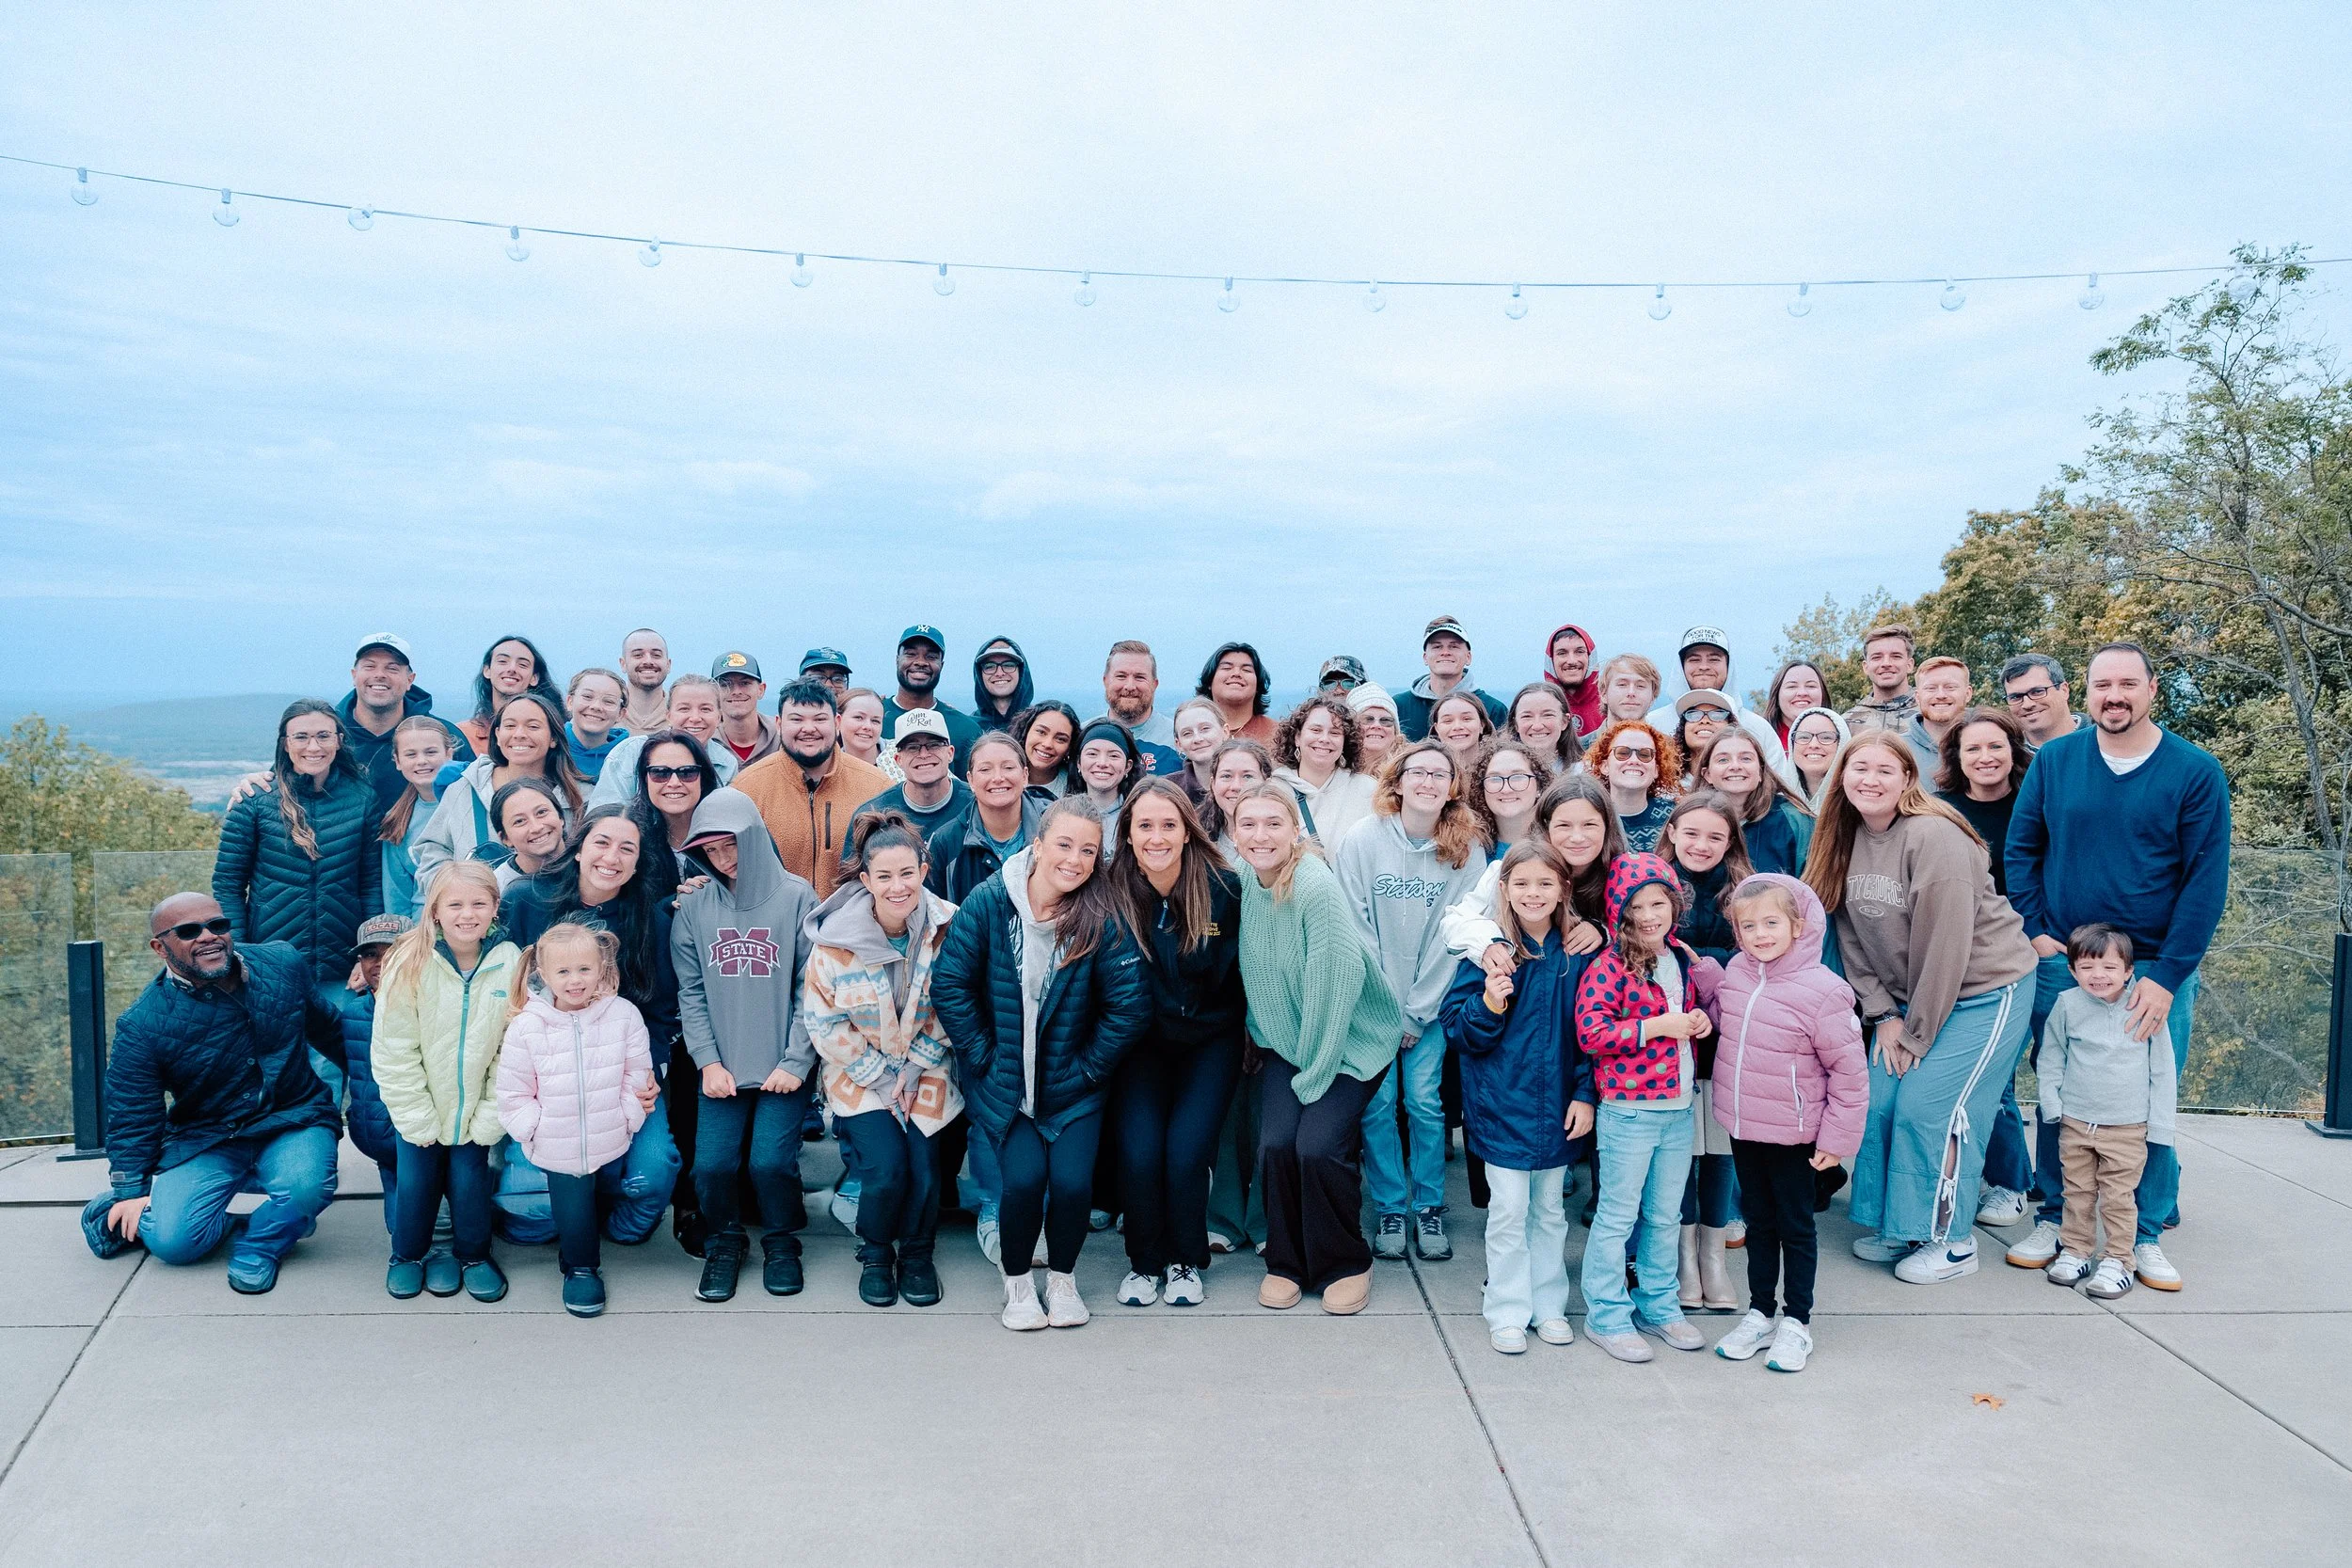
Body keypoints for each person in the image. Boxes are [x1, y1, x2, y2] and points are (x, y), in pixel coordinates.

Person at [2003, 642, 2229, 1291]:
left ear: (2153, 689)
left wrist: (2166, 975)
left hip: (2153, 967)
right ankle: (2057, 1216)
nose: (2115, 695)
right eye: (2104, 683)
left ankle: (2147, 1233)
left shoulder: (2194, 770)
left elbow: (2205, 882)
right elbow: (2022, 848)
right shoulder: (2056, 761)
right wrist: (2040, 931)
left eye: (2129, 683)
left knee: (2148, 1098)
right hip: (2066, 965)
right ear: (2086, 691)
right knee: (2059, 1092)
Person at [1805, 731, 2036, 1286]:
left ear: (1908, 778)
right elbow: (1851, 937)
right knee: (1879, 1104)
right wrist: (1884, 1017)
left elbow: (1946, 948)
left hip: (1984, 990)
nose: (1870, 780)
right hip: (1908, 1002)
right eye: (1859, 768)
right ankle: (1904, 1225)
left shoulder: (1933, 836)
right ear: (1842, 778)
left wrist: (1915, 1034)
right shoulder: (1843, 836)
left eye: (1886, 770)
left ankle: (1952, 1241)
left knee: (1933, 1110)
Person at [933, 798, 1152, 1332]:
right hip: (1006, 1083)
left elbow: (1129, 1006)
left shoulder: (1103, 912)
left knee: (1075, 1185)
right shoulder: (989, 903)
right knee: (1024, 1183)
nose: (1074, 860)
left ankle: (1063, 1279)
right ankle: (1016, 1285)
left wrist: (1088, 1070)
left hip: (1074, 1085)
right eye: (1064, 844)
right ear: (1037, 844)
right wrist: (985, 1057)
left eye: (1088, 851)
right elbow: (951, 985)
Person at [81, 895, 345, 1293]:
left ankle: (261, 1245)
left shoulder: (282, 964)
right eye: (188, 932)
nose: (209, 937)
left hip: (294, 1118)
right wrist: (129, 1191)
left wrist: (377, 1089)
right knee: (174, 1243)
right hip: (207, 1136)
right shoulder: (142, 1024)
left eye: (218, 925)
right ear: (160, 947)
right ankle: (255, 1218)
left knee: (305, 1187)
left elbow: (330, 1031)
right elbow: (133, 1113)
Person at [1231, 782, 1402, 1315]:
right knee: (1276, 1145)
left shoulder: (1313, 885)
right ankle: (1287, 1261)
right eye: (1249, 825)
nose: (1262, 836)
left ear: (1295, 831)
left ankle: (1346, 1262)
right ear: (1234, 834)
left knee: (1318, 1146)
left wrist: (1316, 1075)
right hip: (1289, 1040)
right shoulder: (1241, 880)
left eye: (1274, 824)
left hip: (1349, 1040)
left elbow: (1337, 983)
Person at [496, 805, 685, 1254]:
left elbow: (661, 1010)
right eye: (601, 842)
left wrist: (646, 1078)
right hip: (547, 1077)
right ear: (579, 848)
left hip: (617, 1071)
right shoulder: (527, 900)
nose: (611, 857)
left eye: (627, 849)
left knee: (651, 1175)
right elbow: (495, 980)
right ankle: (559, 1208)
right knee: (535, 1217)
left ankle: (614, 1220)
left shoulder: (650, 920)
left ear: (639, 863)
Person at [1334, 738, 1489, 1265]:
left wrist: (1417, 1010)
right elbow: (1355, 925)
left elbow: (1457, 935)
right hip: (1372, 1003)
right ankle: (1391, 1207)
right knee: (1378, 1106)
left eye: (1439, 775)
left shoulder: (1466, 848)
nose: (1427, 782)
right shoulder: (1363, 839)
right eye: (1416, 772)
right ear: (1397, 781)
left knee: (1424, 1102)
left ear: (1452, 787)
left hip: (1431, 1005)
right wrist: (1386, 1008)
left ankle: (1428, 1206)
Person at [1704, 874, 1867, 1373]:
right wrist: (1711, 982)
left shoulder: (1825, 991)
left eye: (1771, 922)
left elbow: (1849, 1073)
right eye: (1747, 925)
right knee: (1759, 1223)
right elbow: (1724, 1023)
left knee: (1795, 1228)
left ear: (1799, 925)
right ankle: (1760, 1312)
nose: (1760, 934)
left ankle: (1797, 1321)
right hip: (1744, 1125)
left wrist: (1836, 1142)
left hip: (1798, 1136)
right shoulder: (1737, 972)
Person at [1438, 842, 1597, 1354]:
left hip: (1557, 1108)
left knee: (1550, 1210)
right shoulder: (1489, 951)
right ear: (1503, 888)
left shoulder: (1577, 954)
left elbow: (1593, 1033)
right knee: (1507, 1210)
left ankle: (1549, 1302)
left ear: (1563, 890)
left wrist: (1584, 1093)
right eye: (1522, 883)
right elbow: (1459, 1030)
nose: (1534, 893)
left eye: (1545, 884)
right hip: (1500, 1106)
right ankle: (1507, 1308)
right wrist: (1489, 1001)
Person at [803, 812, 963, 1309]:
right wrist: (879, 1075)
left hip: (928, 1066)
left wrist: (916, 1066)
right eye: (885, 877)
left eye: (907, 874)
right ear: (866, 880)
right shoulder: (835, 942)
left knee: (924, 1168)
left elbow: (958, 1001)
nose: (898, 887)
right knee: (886, 1169)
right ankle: (876, 1253)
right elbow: (823, 1020)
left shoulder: (949, 927)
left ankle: (917, 1252)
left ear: (924, 869)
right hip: (860, 1074)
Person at [672, 788, 820, 1302]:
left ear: (754, 839)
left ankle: (782, 1241)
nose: (722, 859)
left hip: (784, 1065)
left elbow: (813, 985)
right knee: (711, 1165)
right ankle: (725, 1241)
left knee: (770, 1163)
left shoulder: (798, 897)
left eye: (730, 845)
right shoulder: (694, 907)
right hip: (723, 1068)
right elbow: (690, 992)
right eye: (709, 851)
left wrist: (799, 1059)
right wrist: (707, 1062)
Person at [1102, 779, 1246, 1307]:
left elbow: (1245, 975)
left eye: (1169, 825)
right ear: (1128, 834)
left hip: (1209, 1041)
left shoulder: (1225, 889)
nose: (1157, 836)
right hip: (1139, 1045)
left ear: (1188, 832)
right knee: (1140, 1155)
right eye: (1145, 826)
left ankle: (1185, 1261)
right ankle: (1144, 1264)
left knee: (1185, 1155)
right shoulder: (1110, 891)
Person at [1575, 852, 1722, 1362]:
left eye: (1659, 902)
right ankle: (1606, 1315)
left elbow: (1689, 1015)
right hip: (1629, 1112)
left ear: (1673, 905)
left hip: (1680, 1107)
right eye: (1637, 905)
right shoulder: (1608, 966)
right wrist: (1658, 1027)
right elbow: (1592, 1034)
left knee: (1664, 1215)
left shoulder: (1680, 956)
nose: (1649, 914)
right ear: (1619, 910)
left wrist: (1697, 1022)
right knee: (1617, 1216)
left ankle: (1658, 1305)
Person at [373, 862, 523, 1304]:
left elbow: (510, 1048)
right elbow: (393, 1045)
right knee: (416, 1185)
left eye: (479, 903)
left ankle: (474, 1255)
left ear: (495, 907)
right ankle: (408, 1255)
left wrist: (489, 1111)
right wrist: (414, 1114)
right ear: (435, 910)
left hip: (474, 1109)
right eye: (454, 904)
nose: (467, 914)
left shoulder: (509, 961)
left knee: (469, 1182)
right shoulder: (409, 960)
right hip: (420, 1107)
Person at [495, 920, 655, 1318]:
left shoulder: (623, 1015)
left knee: (599, 1190)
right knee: (572, 1201)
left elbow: (637, 1072)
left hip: (609, 1127)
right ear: (543, 974)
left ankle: (591, 1238)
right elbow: (513, 1091)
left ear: (601, 968)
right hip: (555, 1136)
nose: (575, 980)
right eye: (563, 972)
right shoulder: (527, 1026)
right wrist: (535, 1126)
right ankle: (581, 1267)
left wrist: (627, 1114)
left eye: (584, 969)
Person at [2038, 924, 2179, 1301]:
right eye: (2086, 967)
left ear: (2130, 970)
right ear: (2072, 970)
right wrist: (2052, 1104)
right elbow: (2051, 1057)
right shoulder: (2067, 1005)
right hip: (2077, 1122)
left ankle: (2119, 1259)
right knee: (2078, 1191)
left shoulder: (2144, 1008)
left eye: (2109, 967)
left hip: (2128, 1127)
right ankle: (2076, 1250)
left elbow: (2163, 1071)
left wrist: (2161, 1128)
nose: (2098, 976)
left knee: (2119, 1196)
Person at [213, 699, 383, 986]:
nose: (313, 747)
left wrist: (370, 955)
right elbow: (227, 887)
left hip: (343, 966)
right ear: (285, 744)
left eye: (323, 736)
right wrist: (240, 954)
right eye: (301, 737)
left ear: (339, 741)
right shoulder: (255, 801)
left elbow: (370, 885)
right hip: (268, 965)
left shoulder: (362, 799)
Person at [1657, 791, 1750, 1310]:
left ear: (1731, 841)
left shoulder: (1742, 892)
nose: (1701, 844)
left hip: (1726, 1041)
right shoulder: (1654, 883)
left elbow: (1756, 956)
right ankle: (1683, 1257)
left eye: (1716, 836)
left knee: (1718, 1151)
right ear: (1671, 832)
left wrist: (1701, 960)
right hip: (1668, 1040)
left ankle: (1712, 1255)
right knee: (1682, 1153)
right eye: (1690, 832)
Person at [731, 679, 891, 901]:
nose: (808, 728)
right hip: (773, 926)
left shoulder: (878, 787)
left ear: (836, 722)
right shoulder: (746, 788)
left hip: (851, 927)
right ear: (778, 724)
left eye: (819, 719)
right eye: (796, 719)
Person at [413, 692, 587, 882]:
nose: (519, 734)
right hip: (475, 910)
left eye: (533, 726)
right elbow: (432, 851)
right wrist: (454, 890)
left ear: (553, 737)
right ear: (497, 734)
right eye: (510, 726)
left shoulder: (582, 796)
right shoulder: (465, 788)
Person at [321, 912, 410, 1233]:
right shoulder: (354, 1013)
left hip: (425, 1140)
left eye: (392, 952)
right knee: (403, 1229)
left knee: (442, 1224)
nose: (380, 962)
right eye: (370, 954)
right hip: (380, 1140)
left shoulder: (431, 1004)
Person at [1644, 626, 1798, 788]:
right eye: (1694, 659)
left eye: (1714, 659)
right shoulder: (1653, 724)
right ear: (1681, 666)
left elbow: (1779, 789)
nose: (1704, 666)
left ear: (1728, 666)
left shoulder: (1758, 728)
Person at [338, 633, 470, 814]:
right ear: (354, 675)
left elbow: (475, 798)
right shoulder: (328, 735)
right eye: (369, 666)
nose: (379, 675)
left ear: (410, 680)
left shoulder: (444, 735)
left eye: (392, 668)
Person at [927, 731, 1046, 906]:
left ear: (1025, 776)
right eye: (985, 770)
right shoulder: (946, 842)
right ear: (971, 780)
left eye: (1008, 768)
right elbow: (933, 915)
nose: (998, 778)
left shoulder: (1054, 828)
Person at [589, 675, 737, 805]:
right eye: (684, 709)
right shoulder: (631, 752)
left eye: (705, 709)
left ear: (719, 717)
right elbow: (604, 815)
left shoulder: (726, 764)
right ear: (668, 715)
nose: (695, 718)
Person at [1693, 728, 1815, 879]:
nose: (1735, 766)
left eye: (1746, 758)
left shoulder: (1795, 820)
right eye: (1723, 760)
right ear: (1707, 774)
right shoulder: (1690, 821)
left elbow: (1814, 885)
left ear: (1761, 772)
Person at [850, 709, 972, 846]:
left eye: (933, 745)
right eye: (912, 747)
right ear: (898, 759)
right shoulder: (873, 814)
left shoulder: (976, 804)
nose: (924, 754)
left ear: (950, 753)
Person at [1274, 695, 1378, 847]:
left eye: (1335, 733)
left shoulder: (1368, 791)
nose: (1324, 739)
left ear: (1345, 742)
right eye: (1316, 730)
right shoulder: (1274, 790)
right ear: (1297, 737)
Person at [882, 625, 983, 773]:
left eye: (931, 657)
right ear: (897, 660)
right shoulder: (871, 720)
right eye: (911, 654)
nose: (921, 662)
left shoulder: (966, 729)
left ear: (941, 665)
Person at [1396, 616, 1507, 740]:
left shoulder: (1494, 709)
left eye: (1454, 646)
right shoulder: (1399, 706)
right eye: (1437, 647)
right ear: (1425, 657)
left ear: (1468, 657)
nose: (1445, 652)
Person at [457, 634, 564, 757]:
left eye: (523, 665)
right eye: (502, 661)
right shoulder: (461, 735)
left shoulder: (553, 733)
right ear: (487, 670)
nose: (512, 669)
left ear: (534, 678)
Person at [1585, 718, 1680, 851]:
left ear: (1656, 770)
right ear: (1605, 766)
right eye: (1623, 753)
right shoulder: (1585, 814)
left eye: (1645, 755)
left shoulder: (1676, 815)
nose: (1634, 760)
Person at [1467, 736, 1552, 854]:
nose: (1506, 789)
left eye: (1518, 777)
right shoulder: (1468, 850)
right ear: (1481, 789)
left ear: (1539, 786)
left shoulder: (1558, 845)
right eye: (1495, 778)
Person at [1844, 624, 1920, 736]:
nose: (1886, 664)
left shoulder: (1930, 712)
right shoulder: (1847, 722)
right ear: (1866, 667)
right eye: (1877, 657)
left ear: (1910, 665)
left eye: (1896, 656)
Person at [1071, 718, 1143, 839]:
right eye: (1092, 754)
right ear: (1079, 762)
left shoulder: (1140, 815)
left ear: (1128, 766)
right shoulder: (1062, 815)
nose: (1102, 763)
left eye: (1114, 756)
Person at [707, 651, 781, 768]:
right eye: (726, 684)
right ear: (713, 692)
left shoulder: (782, 736)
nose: (736, 691)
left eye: (745, 683)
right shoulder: (704, 740)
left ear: (761, 690)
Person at [1903, 656, 1973, 780]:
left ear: (1968, 694)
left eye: (1950, 687)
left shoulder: (1988, 746)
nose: (1941, 695)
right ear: (1917, 697)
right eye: (1931, 688)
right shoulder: (1897, 749)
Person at [1198, 641, 1278, 744]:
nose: (1236, 673)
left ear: (1258, 685)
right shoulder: (1194, 733)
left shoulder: (1279, 735)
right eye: (1227, 668)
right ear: (1209, 682)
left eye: (1247, 670)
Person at [2001, 652, 2089, 747]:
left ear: (2064, 690)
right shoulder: (2004, 757)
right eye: (2015, 697)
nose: (2027, 705)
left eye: (2037, 692)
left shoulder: (2102, 741)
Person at [1102, 640, 1177, 747]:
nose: (1130, 686)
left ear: (1154, 685)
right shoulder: (1081, 737)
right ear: (1106, 681)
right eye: (1121, 676)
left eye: (1139, 677)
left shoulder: (1179, 739)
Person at [561, 668, 630, 783]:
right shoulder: (549, 747)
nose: (596, 706)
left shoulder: (628, 759)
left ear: (621, 714)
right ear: (570, 702)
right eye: (587, 697)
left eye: (609, 701)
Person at [1505, 681, 1581, 777]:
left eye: (1547, 715)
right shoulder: (1499, 773)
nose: (1537, 726)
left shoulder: (1583, 772)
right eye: (1527, 716)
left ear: (1564, 722)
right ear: (1515, 724)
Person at [1541, 623, 1604, 738]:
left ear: (1591, 657)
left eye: (1579, 652)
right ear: (1551, 661)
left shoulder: (1610, 703)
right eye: (1562, 653)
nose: (1571, 661)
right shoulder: (1538, 706)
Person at [1785, 706, 1851, 812]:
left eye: (1826, 737)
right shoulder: (1774, 803)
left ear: (1842, 744)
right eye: (1804, 737)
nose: (1813, 745)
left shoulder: (1854, 804)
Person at [1014, 700, 1080, 800]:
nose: (1047, 744)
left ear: (1069, 747)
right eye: (1041, 732)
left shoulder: (1077, 787)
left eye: (1060, 739)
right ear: (1026, 731)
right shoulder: (1003, 778)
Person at [1168, 696, 1226, 809]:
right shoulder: (1169, 789)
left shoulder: (1247, 782)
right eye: (1187, 733)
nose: (1197, 739)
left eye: (1205, 729)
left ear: (1225, 731)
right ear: (1178, 743)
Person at [1670, 690, 1738, 782]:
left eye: (1717, 715)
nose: (1704, 720)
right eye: (1694, 714)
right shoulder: (1664, 783)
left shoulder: (1741, 780)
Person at [970, 637, 1033, 734]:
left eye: (1008, 665)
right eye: (990, 666)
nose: (999, 673)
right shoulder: (969, 728)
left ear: (1021, 672)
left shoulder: (1038, 725)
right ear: (979, 674)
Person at [1761, 659, 1831, 748]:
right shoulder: (1760, 740)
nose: (1802, 693)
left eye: (1811, 686)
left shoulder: (1839, 739)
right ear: (1776, 695)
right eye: (1792, 687)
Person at [837, 688, 901, 784]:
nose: (868, 726)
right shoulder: (828, 765)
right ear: (838, 720)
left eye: (875, 721)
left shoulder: (902, 752)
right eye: (859, 717)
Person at [1346, 683, 1403, 773]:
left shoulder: (1409, 768)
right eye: (1368, 719)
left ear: (1396, 731)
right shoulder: (1332, 769)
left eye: (1385, 720)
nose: (1377, 726)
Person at [1430, 690, 1497, 761]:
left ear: (1482, 725)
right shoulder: (1422, 767)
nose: (1457, 727)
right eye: (1448, 721)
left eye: (1466, 719)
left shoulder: (1500, 766)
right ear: (1437, 729)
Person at [1599, 653, 1663, 724]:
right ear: (1604, 693)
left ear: (1653, 697)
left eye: (1640, 686)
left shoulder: (1665, 736)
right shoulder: (1588, 736)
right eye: (1622, 684)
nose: (1631, 692)